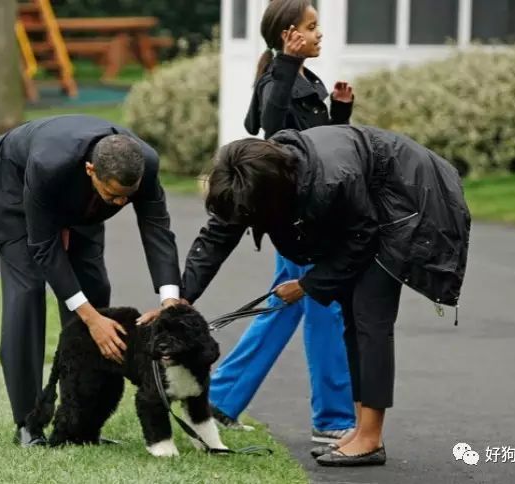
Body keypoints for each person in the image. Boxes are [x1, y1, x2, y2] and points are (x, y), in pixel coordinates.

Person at [180, 124, 471, 466]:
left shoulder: (329, 182)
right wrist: (182, 298)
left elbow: (361, 238)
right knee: (350, 316)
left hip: (407, 197)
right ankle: (361, 428)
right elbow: (218, 236)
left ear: (275, 196)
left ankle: (370, 437)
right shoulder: (252, 177)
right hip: (367, 202)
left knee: (370, 319)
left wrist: (306, 285)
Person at [0, 115, 182, 447]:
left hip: (77, 199)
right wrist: (88, 318)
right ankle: (28, 423)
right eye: (113, 196)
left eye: (127, 197)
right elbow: (43, 248)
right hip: (11, 185)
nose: (119, 204)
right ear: (91, 171)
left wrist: (171, 299)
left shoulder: (145, 164)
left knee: (96, 289)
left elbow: (156, 228)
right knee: (27, 292)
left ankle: (80, 427)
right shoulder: (47, 164)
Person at [208, 0, 357, 443]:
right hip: (303, 219)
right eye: (311, 27)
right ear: (290, 34)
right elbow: (270, 129)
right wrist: (289, 62)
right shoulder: (280, 77)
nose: (319, 34)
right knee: (324, 310)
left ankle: (219, 398)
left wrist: (342, 111)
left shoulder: (305, 78)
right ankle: (332, 422)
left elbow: (324, 142)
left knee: (282, 307)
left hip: (307, 210)